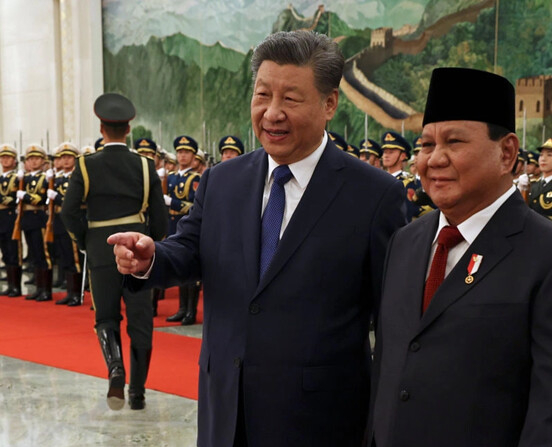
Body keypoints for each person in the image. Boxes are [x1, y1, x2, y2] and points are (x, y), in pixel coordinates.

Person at [109, 30, 406, 447]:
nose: (272, 113)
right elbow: (190, 248)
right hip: (226, 407)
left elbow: (393, 318)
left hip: (320, 420)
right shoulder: (222, 180)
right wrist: (152, 257)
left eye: (290, 99)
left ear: (329, 104)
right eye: (262, 95)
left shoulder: (374, 195)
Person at [367, 67, 552, 447]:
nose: (434, 159)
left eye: (454, 142)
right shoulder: (406, 243)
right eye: (426, 145)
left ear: (506, 152)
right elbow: (389, 367)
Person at [61, 93, 168, 411]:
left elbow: (69, 212)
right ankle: (137, 393)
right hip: (136, 249)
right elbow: (160, 221)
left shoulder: (85, 164)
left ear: (102, 128)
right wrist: (149, 244)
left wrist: (86, 241)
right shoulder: (146, 166)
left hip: (100, 250)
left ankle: (115, 368)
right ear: (129, 128)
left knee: (106, 317)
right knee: (141, 323)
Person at [163, 135, 201, 325]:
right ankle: (181, 308)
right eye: (179, 152)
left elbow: (195, 207)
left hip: (187, 226)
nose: (182, 156)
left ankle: (190, 311)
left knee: (189, 269)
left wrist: (173, 203)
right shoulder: (170, 177)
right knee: (179, 268)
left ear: (193, 156)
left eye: (186, 152)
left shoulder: (197, 179)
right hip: (172, 226)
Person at [17, 144, 52, 301]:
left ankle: (46, 290)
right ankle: (39, 288)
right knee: (34, 255)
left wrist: (25, 196)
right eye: (30, 159)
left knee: (43, 254)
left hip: (39, 218)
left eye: (37, 158)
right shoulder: (25, 178)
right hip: (28, 219)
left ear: (43, 161)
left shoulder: (46, 178)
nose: (33, 162)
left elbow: (41, 199)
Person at [50, 142, 83, 306]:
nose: (65, 160)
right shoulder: (58, 178)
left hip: (73, 221)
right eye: (63, 157)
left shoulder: (77, 178)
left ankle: (76, 293)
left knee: (74, 256)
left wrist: (56, 197)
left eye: (69, 157)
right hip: (59, 220)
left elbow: (76, 201)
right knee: (64, 257)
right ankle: (70, 292)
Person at [0, 144, 21, 297]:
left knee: (13, 251)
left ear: (14, 160)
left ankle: (16, 287)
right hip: (1, 218)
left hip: (10, 216)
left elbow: (14, 199)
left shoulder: (17, 178)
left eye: (8, 157)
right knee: (5, 252)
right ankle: (9, 284)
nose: (5, 160)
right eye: (3, 157)